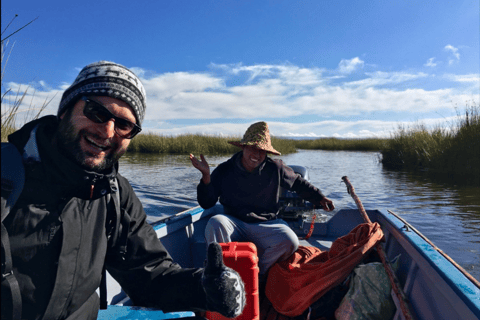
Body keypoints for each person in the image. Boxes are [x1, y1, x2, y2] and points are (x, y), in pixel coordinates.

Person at [1, 61, 245, 320]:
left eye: (124, 125)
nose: (107, 131)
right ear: (65, 110)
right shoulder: (7, 176)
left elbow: (148, 273)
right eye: (96, 112)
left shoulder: (116, 194)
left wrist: (204, 289)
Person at [189, 121, 335, 277]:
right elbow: (207, 203)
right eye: (253, 148)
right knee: (215, 223)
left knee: (290, 241)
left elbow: (299, 183)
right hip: (234, 222)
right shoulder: (225, 169)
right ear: (243, 147)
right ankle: (221, 274)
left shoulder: (276, 168)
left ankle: (257, 275)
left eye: (262, 151)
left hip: (267, 223)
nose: (257, 155)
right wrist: (206, 176)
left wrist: (319, 197)